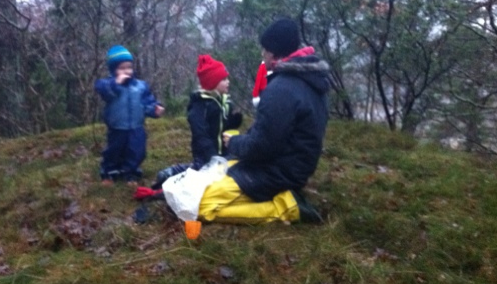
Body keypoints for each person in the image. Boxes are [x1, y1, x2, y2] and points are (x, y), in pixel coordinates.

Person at [196, 17, 330, 224]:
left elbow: (263, 146)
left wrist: (235, 143)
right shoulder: (309, 80)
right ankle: (281, 199)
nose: (262, 54)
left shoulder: (282, 88)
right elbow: (273, 133)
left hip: (278, 172)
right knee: (215, 175)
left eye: (265, 50)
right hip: (294, 166)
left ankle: (289, 207)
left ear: (274, 53)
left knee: (200, 204)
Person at [152, 55, 242, 189]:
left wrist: (233, 122)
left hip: (223, 152)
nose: (228, 82)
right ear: (212, 83)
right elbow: (200, 134)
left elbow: (222, 126)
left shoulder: (224, 102)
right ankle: (171, 173)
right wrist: (211, 154)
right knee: (199, 172)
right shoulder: (200, 106)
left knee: (224, 174)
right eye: (223, 79)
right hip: (205, 153)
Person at [95, 45, 165, 186]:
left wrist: (155, 109)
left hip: (136, 126)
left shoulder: (140, 86)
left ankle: (130, 173)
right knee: (114, 150)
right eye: (121, 68)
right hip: (117, 127)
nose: (126, 71)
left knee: (137, 151)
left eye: (129, 67)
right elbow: (102, 90)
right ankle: (109, 173)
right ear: (113, 70)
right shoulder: (108, 84)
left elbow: (147, 102)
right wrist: (116, 83)